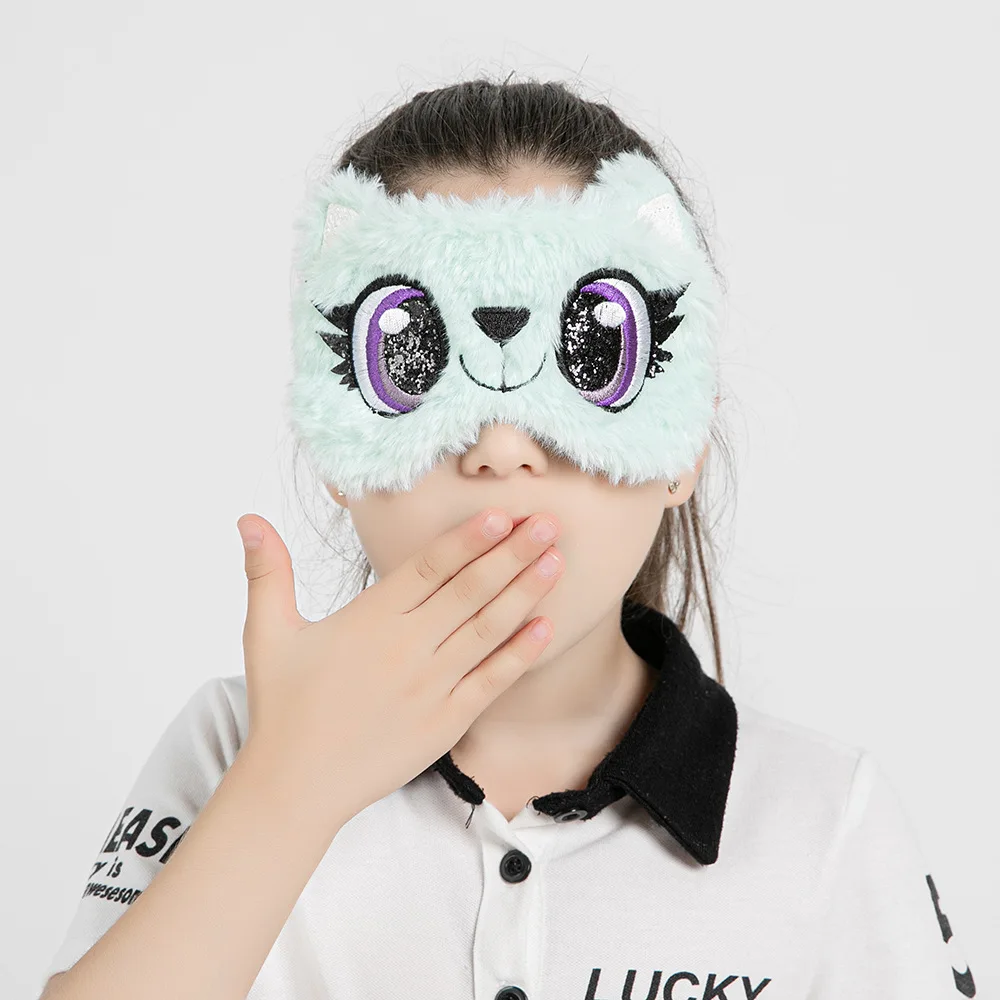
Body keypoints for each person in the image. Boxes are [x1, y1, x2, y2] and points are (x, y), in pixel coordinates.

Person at [38, 76, 978, 1000]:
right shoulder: (235, 748)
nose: (498, 448)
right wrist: (292, 783)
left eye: (591, 358)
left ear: (685, 443)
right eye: (410, 359)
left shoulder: (825, 818)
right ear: (332, 442)